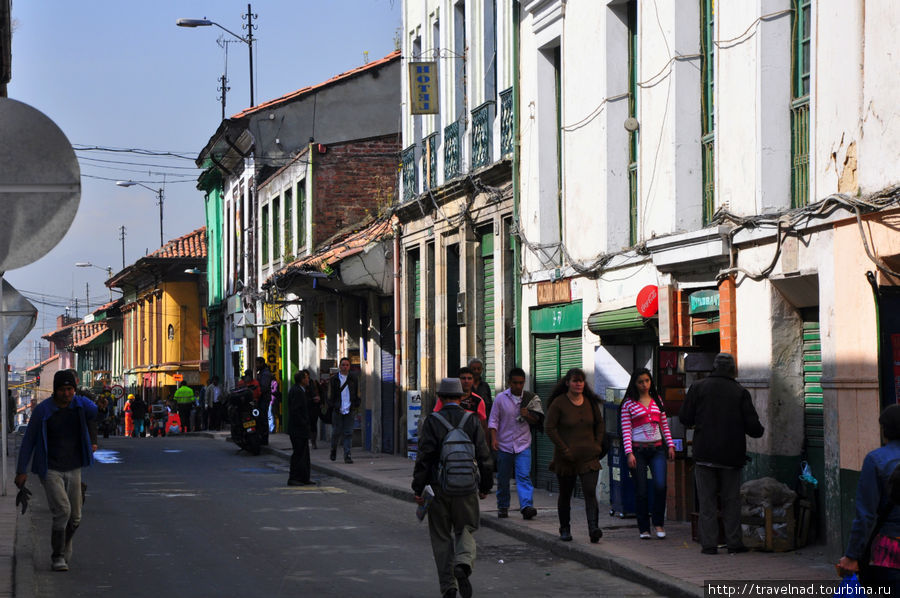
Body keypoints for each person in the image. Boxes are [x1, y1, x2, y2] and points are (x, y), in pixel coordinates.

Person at [413, 378, 493, 598]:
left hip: (438, 489)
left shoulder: (432, 421)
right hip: (466, 488)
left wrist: (418, 488)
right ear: (461, 397)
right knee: (466, 528)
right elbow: (484, 456)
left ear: (440, 398)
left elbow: (424, 458)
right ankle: (464, 563)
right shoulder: (472, 420)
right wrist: (485, 486)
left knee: (441, 537)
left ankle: (448, 586)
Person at [679, 352, 764, 555]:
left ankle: (709, 545)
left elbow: (684, 417)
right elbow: (754, 428)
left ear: (714, 367)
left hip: (704, 454)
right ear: (733, 369)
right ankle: (734, 542)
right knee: (731, 501)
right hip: (731, 456)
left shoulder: (698, 388)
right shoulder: (739, 391)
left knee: (706, 501)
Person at [15, 369, 98, 572]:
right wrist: (21, 471)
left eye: (70, 389)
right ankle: (57, 556)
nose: (67, 394)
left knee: (76, 517)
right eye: (62, 390)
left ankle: (64, 544)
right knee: (63, 510)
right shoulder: (43, 411)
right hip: (50, 468)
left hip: (74, 466)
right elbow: (28, 442)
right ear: (55, 390)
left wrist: (99, 405)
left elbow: (95, 412)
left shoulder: (79, 404)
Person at [837, 404, 900, 592]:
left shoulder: (876, 460)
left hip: (891, 550)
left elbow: (865, 515)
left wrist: (852, 555)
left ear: (884, 430)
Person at [545, 368, 606, 543]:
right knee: (565, 494)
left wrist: (597, 444)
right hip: (566, 459)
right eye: (575, 381)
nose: (578, 384)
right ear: (567, 383)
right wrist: (564, 449)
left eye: (581, 381)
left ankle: (593, 528)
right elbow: (550, 428)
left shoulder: (590, 403)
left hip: (589, 457)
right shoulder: (559, 403)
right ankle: (565, 528)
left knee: (589, 491)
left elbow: (600, 424)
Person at [621, 368, 676, 539]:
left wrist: (671, 445)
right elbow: (626, 430)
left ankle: (658, 523)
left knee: (660, 486)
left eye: (647, 381)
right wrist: (629, 453)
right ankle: (644, 528)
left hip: (658, 449)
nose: (644, 385)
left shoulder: (657, 400)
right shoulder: (628, 404)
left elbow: (664, 425)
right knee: (642, 490)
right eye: (640, 382)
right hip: (638, 451)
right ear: (635, 384)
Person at [488, 367, 543, 520]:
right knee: (503, 478)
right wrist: (494, 439)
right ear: (509, 383)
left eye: (521, 383)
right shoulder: (500, 398)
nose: (518, 386)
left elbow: (538, 420)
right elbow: (493, 420)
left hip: (523, 444)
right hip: (504, 445)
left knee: (524, 476)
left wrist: (528, 415)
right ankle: (503, 506)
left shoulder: (530, 399)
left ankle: (526, 506)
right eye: (515, 383)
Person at [434, 367, 487, 434]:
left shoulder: (478, 401)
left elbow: (483, 425)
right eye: (463, 378)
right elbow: (436, 418)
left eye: (469, 378)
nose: (466, 381)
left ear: (473, 380)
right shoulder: (445, 398)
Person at [328, 357, 359, 464]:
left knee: (348, 433)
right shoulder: (334, 379)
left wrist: (355, 405)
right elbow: (329, 395)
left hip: (349, 409)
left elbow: (357, 392)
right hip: (338, 410)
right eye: (343, 365)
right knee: (336, 432)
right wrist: (333, 405)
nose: (345, 367)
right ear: (340, 366)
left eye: (347, 365)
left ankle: (347, 455)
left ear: (349, 366)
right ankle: (333, 450)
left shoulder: (353, 378)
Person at [287, 370, 314, 486]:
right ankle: (294, 478)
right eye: (307, 378)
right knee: (298, 454)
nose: (308, 380)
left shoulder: (301, 391)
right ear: (302, 380)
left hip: (301, 429)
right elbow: (296, 411)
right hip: (298, 429)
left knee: (304, 454)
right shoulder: (297, 391)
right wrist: (303, 423)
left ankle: (304, 477)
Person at [255, 357, 273, 445]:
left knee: (263, 419)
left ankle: (264, 439)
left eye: (257, 363)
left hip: (264, 399)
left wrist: (257, 394)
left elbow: (263, 388)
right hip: (261, 399)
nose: (256, 365)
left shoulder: (265, 374)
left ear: (262, 363)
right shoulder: (261, 373)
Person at [306, 373, 321, 449]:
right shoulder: (301, 387)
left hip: (314, 408)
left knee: (313, 425)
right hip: (306, 408)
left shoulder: (314, 383)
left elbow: (319, 393)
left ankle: (313, 442)